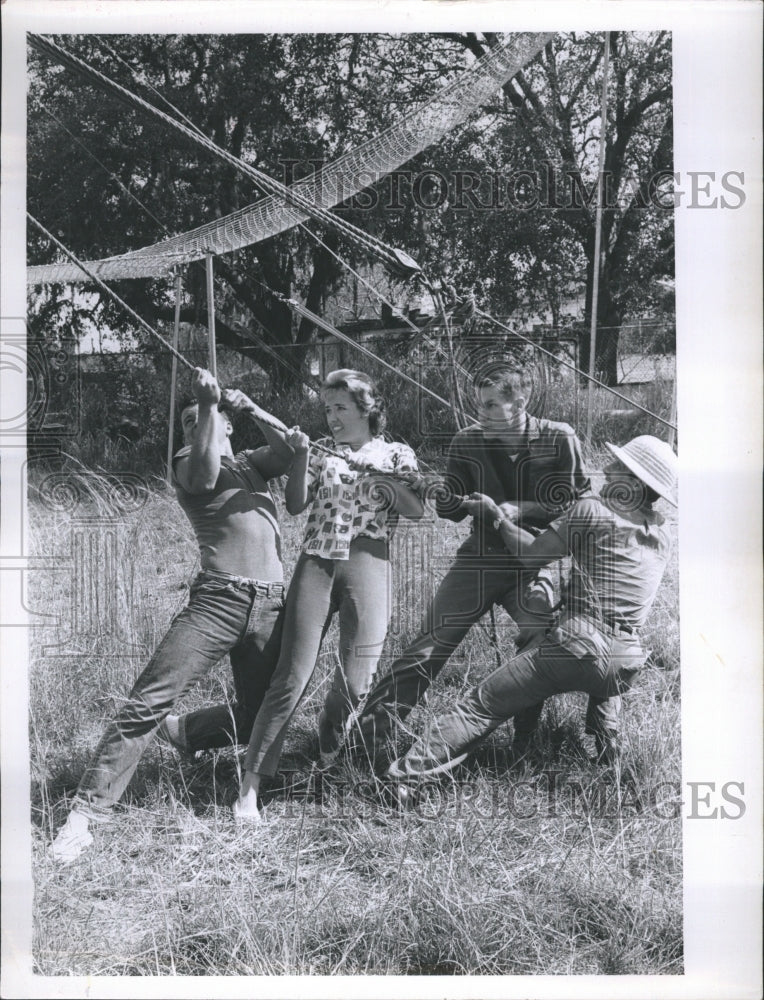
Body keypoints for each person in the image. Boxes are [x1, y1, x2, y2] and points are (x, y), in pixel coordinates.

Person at [50, 368, 295, 863]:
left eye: (203, 417)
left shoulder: (250, 463)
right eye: (186, 420)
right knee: (147, 702)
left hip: (271, 604)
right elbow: (205, 475)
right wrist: (206, 407)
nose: (192, 424)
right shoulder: (187, 460)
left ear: (229, 427)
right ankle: (84, 817)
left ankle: (188, 732)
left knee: (258, 715)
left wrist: (249, 410)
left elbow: (290, 453)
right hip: (219, 601)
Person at [385, 435, 677, 785]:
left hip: (577, 647)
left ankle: (403, 778)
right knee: (585, 647)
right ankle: (602, 750)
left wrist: (496, 518)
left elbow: (531, 555)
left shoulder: (591, 511)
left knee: (480, 707)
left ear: (633, 482)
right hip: (626, 662)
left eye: (617, 467)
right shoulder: (662, 531)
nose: (606, 468)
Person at [355, 362, 599, 754]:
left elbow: (579, 503)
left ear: (519, 403)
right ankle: (365, 744)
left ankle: (524, 742)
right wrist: (445, 496)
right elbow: (451, 509)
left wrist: (519, 509)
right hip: (480, 558)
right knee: (428, 645)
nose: (479, 415)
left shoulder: (559, 437)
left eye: (489, 406)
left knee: (537, 639)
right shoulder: (466, 442)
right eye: (478, 405)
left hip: (533, 556)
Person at [234, 369, 424, 821]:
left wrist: (378, 475)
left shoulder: (396, 453)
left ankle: (330, 755)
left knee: (357, 681)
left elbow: (415, 509)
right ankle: (249, 789)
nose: (332, 417)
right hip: (315, 563)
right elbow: (297, 504)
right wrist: (301, 456)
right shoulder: (324, 452)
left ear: (366, 408)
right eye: (327, 409)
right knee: (290, 677)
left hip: (368, 563)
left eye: (340, 408)